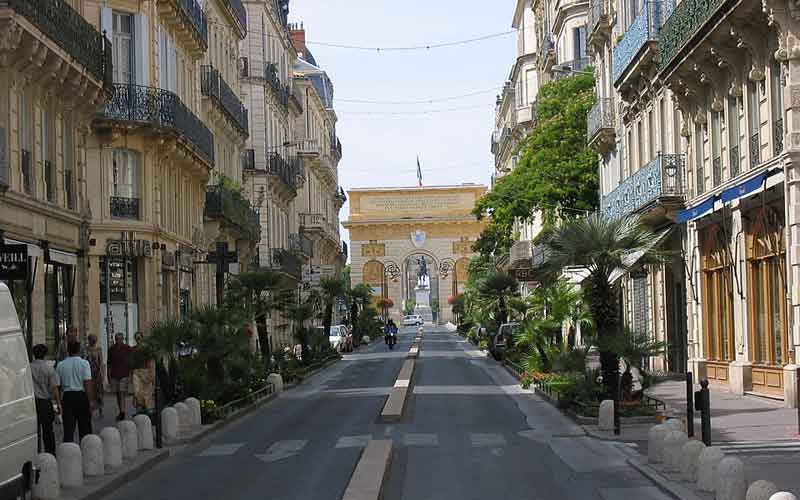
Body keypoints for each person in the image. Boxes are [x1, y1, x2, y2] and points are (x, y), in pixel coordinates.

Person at [55, 340, 93, 444]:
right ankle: (86, 449)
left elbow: (57, 386)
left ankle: (68, 452)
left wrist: (58, 403)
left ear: (68, 350)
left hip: (67, 397)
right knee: (85, 428)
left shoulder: (60, 365)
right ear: (79, 350)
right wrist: (90, 401)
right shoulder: (84, 363)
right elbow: (88, 384)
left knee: (68, 429)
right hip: (81, 396)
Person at [30, 344, 61, 455]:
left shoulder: (28, 368)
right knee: (48, 430)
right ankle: (50, 453)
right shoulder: (49, 369)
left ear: (34, 354)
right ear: (45, 354)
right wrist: (58, 405)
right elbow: (54, 389)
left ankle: (36, 453)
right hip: (45, 403)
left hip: (32, 404)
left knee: (35, 431)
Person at [107, 333, 133, 421]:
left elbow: (130, 361)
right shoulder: (111, 349)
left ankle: (122, 413)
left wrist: (130, 374)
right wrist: (108, 375)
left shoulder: (127, 348)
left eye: (120, 339)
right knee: (118, 393)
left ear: (123, 339)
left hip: (124, 374)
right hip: (114, 374)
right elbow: (109, 363)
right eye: (117, 339)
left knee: (121, 392)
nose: (118, 341)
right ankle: (121, 411)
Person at [85, 334, 105, 417]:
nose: (93, 341)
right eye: (92, 340)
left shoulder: (98, 349)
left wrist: (102, 373)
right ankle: (90, 410)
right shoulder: (86, 349)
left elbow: (101, 362)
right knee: (90, 392)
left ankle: (100, 411)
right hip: (89, 372)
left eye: (94, 340)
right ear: (89, 340)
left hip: (96, 373)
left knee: (99, 392)